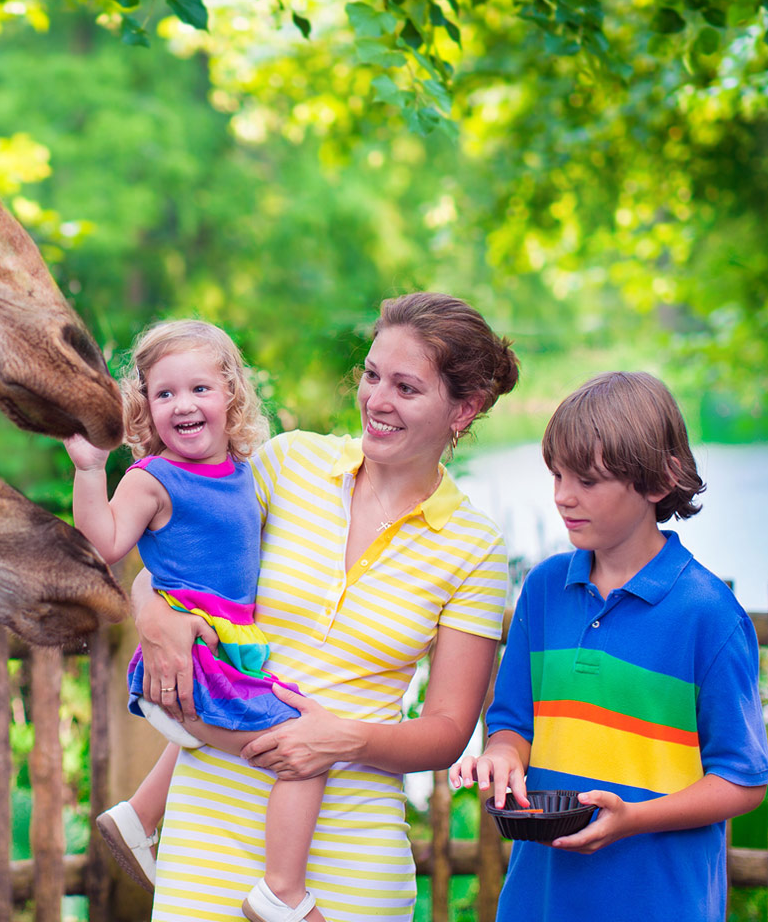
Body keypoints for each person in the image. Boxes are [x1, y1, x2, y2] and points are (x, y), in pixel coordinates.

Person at [132, 293, 520, 922]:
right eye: (371, 375)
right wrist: (150, 612)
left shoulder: (474, 548)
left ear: (465, 408)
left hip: (350, 853)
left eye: (406, 387)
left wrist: (344, 738)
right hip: (210, 829)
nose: (377, 401)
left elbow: (448, 731)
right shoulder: (287, 465)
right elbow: (176, 568)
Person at [450, 371, 768, 922]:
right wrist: (502, 756)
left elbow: (742, 781)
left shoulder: (708, 614)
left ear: (657, 481)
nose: (562, 496)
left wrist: (636, 818)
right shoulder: (545, 590)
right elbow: (512, 723)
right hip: (539, 901)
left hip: (661, 902)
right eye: (556, 475)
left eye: (588, 481)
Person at [63, 320, 327, 922]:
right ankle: (280, 892)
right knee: (304, 753)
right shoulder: (152, 479)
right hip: (192, 659)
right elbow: (102, 543)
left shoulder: (241, 469)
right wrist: (87, 468)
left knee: (276, 719)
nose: (183, 405)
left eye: (200, 389)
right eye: (165, 394)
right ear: (145, 406)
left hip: (228, 647)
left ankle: (138, 815)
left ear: (231, 394)